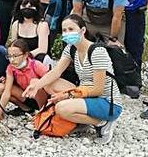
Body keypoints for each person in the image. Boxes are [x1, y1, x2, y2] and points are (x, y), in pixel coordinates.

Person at [24, 14, 122, 145]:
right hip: (86, 94)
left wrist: (67, 95)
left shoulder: (97, 51)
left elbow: (98, 89)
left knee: (61, 108)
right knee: (48, 83)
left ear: (82, 30)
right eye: (64, 30)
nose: (67, 33)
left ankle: (102, 122)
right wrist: (36, 85)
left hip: (107, 102)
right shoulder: (71, 49)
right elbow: (56, 71)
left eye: (71, 29)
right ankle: (80, 119)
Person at [0, 39, 50, 124]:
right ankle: (26, 109)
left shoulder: (35, 65)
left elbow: (51, 79)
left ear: (25, 55)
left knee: (35, 83)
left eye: (15, 56)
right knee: (4, 88)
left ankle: (43, 113)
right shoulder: (11, 68)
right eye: (9, 56)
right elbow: (7, 92)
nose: (12, 60)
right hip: (26, 96)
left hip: (42, 98)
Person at [9, 0, 51, 65]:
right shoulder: (16, 24)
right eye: (24, 5)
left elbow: (43, 49)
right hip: (20, 60)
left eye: (31, 6)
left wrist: (26, 56)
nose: (27, 8)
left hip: (37, 61)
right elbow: (14, 46)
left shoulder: (42, 25)